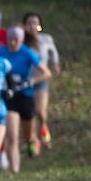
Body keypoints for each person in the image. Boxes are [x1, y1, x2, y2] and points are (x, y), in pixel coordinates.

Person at [0, 25, 51, 171]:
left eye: (16, 40)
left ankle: (33, 141)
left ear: (21, 40)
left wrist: (31, 81)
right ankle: (15, 170)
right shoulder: (0, 52)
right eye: (10, 39)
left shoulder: (27, 53)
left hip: (26, 96)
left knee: (28, 137)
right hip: (10, 97)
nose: (12, 43)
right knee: (12, 137)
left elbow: (46, 73)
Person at [22, 12, 61, 149]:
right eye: (29, 23)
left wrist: (55, 64)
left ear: (39, 25)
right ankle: (34, 140)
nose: (32, 26)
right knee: (30, 113)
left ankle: (44, 125)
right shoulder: (22, 41)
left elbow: (53, 52)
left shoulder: (46, 39)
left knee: (40, 110)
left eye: (35, 23)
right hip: (26, 80)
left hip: (41, 79)